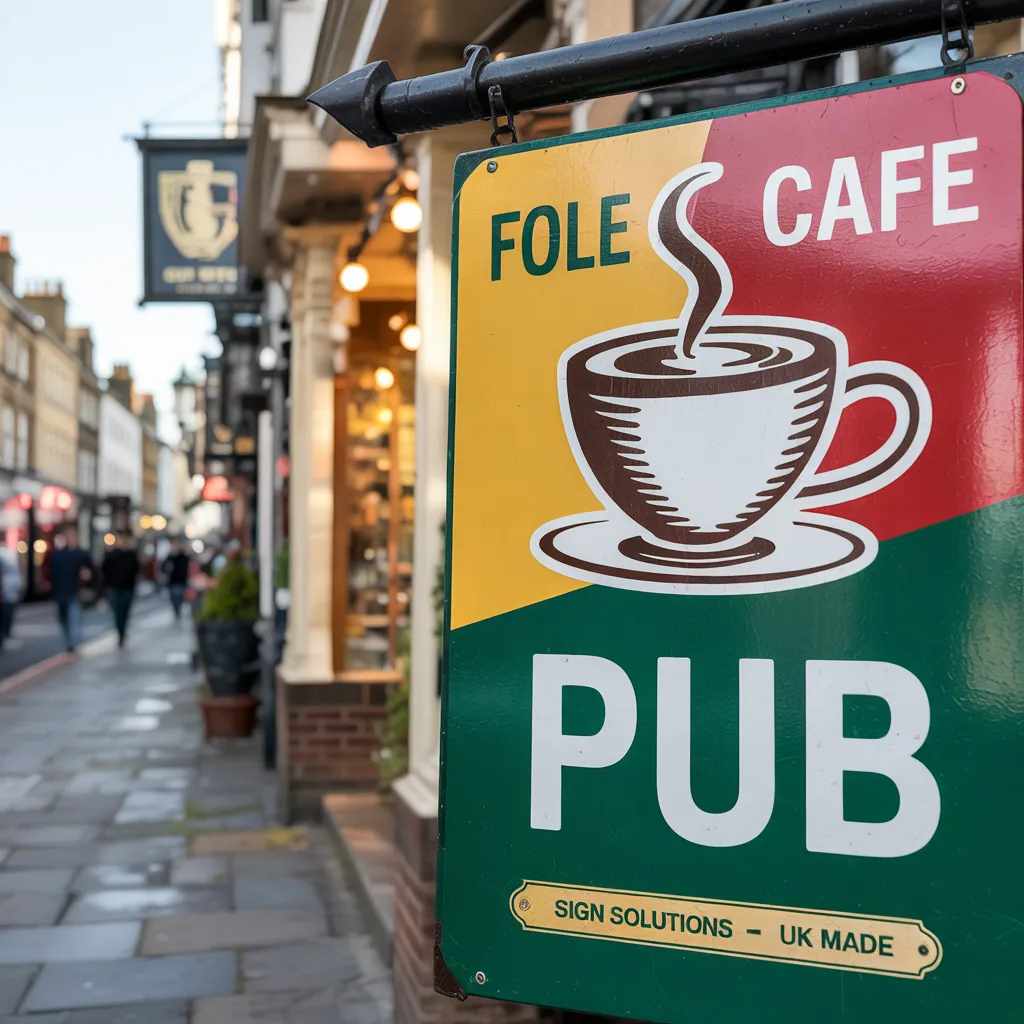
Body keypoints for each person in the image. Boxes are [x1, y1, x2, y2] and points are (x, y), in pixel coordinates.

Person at [49, 527, 95, 653]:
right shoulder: (58, 555)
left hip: (75, 591)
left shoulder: (81, 554)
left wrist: (87, 577)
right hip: (60, 591)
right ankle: (69, 641)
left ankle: (72, 643)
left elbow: (92, 572)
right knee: (63, 619)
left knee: (74, 618)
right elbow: (52, 573)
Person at [102, 534, 140, 648]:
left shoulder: (131, 555)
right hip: (114, 588)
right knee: (117, 612)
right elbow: (104, 570)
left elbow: (136, 569)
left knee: (125, 612)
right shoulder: (111, 555)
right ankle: (120, 632)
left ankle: (122, 631)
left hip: (127, 588)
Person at [161, 537, 191, 621]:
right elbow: (163, 568)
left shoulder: (184, 557)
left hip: (181, 581)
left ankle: (178, 613)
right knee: (173, 599)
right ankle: (176, 613)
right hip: (172, 582)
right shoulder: (169, 557)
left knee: (179, 599)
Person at [0, 545, 21, 648]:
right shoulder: (6, 554)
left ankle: (4, 636)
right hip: (8, 592)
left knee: (6, 615)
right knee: (6, 615)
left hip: (8, 592)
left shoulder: (5, 554)